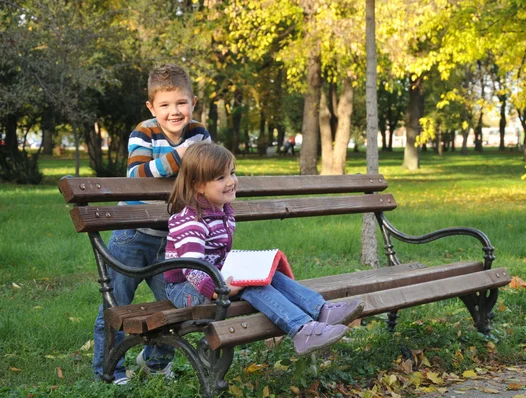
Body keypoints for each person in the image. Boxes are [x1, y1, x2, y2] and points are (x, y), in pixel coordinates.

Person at [164, 142, 364, 356]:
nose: (231, 182)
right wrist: (218, 289)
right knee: (252, 286)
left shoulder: (222, 213)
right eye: (221, 178)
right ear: (198, 186)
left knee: (266, 276)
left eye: (231, 173)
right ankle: (302, 330)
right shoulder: (191, 220)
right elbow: (192, 269)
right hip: (186, 288)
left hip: (213, 276)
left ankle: (322, 310)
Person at [92, 64, 211, 385]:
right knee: (116, 306)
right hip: (133, 235)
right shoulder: (143, 132)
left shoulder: (200, 133)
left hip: (174, 239)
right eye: (165, 105)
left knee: (177, 305)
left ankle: (156, 363)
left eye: (181, 103)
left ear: (193, 102)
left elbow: (207, 172)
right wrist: (183, 154)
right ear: (151, 107)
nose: (174, 111)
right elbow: (136, 175)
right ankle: (108, 372)